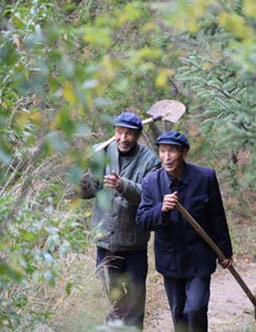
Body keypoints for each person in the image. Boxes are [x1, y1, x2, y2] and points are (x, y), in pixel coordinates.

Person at [136, 130, 233, 332]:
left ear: (184, 153)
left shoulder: (205, 177)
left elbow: (217, 216)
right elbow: (143, 220)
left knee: (195, 308)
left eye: (173, 151)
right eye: (163, 151)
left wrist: (225, 252)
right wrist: (160, 209)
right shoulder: (151, 182)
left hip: (199, 258)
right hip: (170, 259)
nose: (167, 157)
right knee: (178, 313)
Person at [79, 112, 160, 330]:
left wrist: (122, 185)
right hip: (106, 240)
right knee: (113, 298)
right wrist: (84, 170)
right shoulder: (102, 152)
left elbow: (149, 196)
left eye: (129, 134)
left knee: (134, 298)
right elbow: (85, 192)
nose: (123, 138)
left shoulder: (150, 161)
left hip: (134, 243)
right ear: (115, 132)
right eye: (119, 132)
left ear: (138, 135)